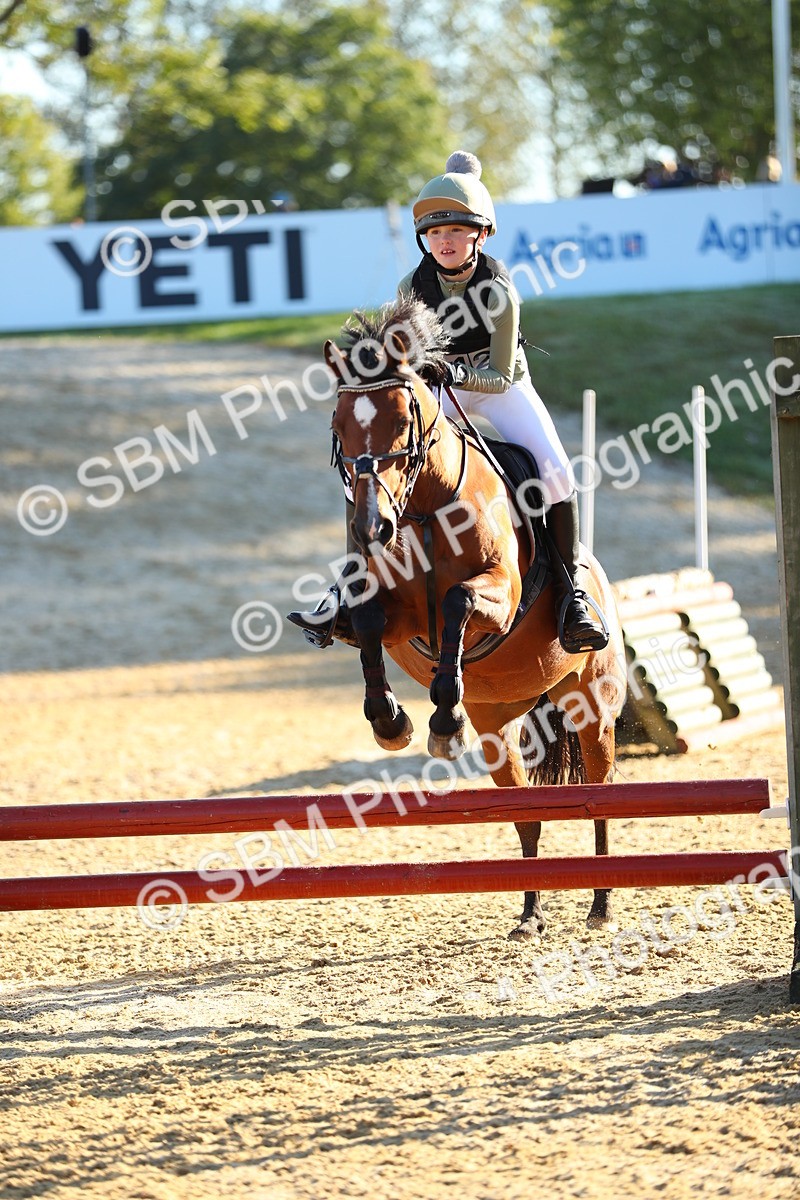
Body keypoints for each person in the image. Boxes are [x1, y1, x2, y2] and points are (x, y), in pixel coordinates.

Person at [288, 151, 608, 654]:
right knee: (367, 475)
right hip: (441, 389)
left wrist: (454, 370)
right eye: (435, 234)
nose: (445, 242)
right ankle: (348, 592)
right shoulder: (410, 287)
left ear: (480, 235)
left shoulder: (499, 289)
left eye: (456, 231)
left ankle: (574, 595)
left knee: (558, 473)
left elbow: (500, 375)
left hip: (502, 387)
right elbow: (401, 366)